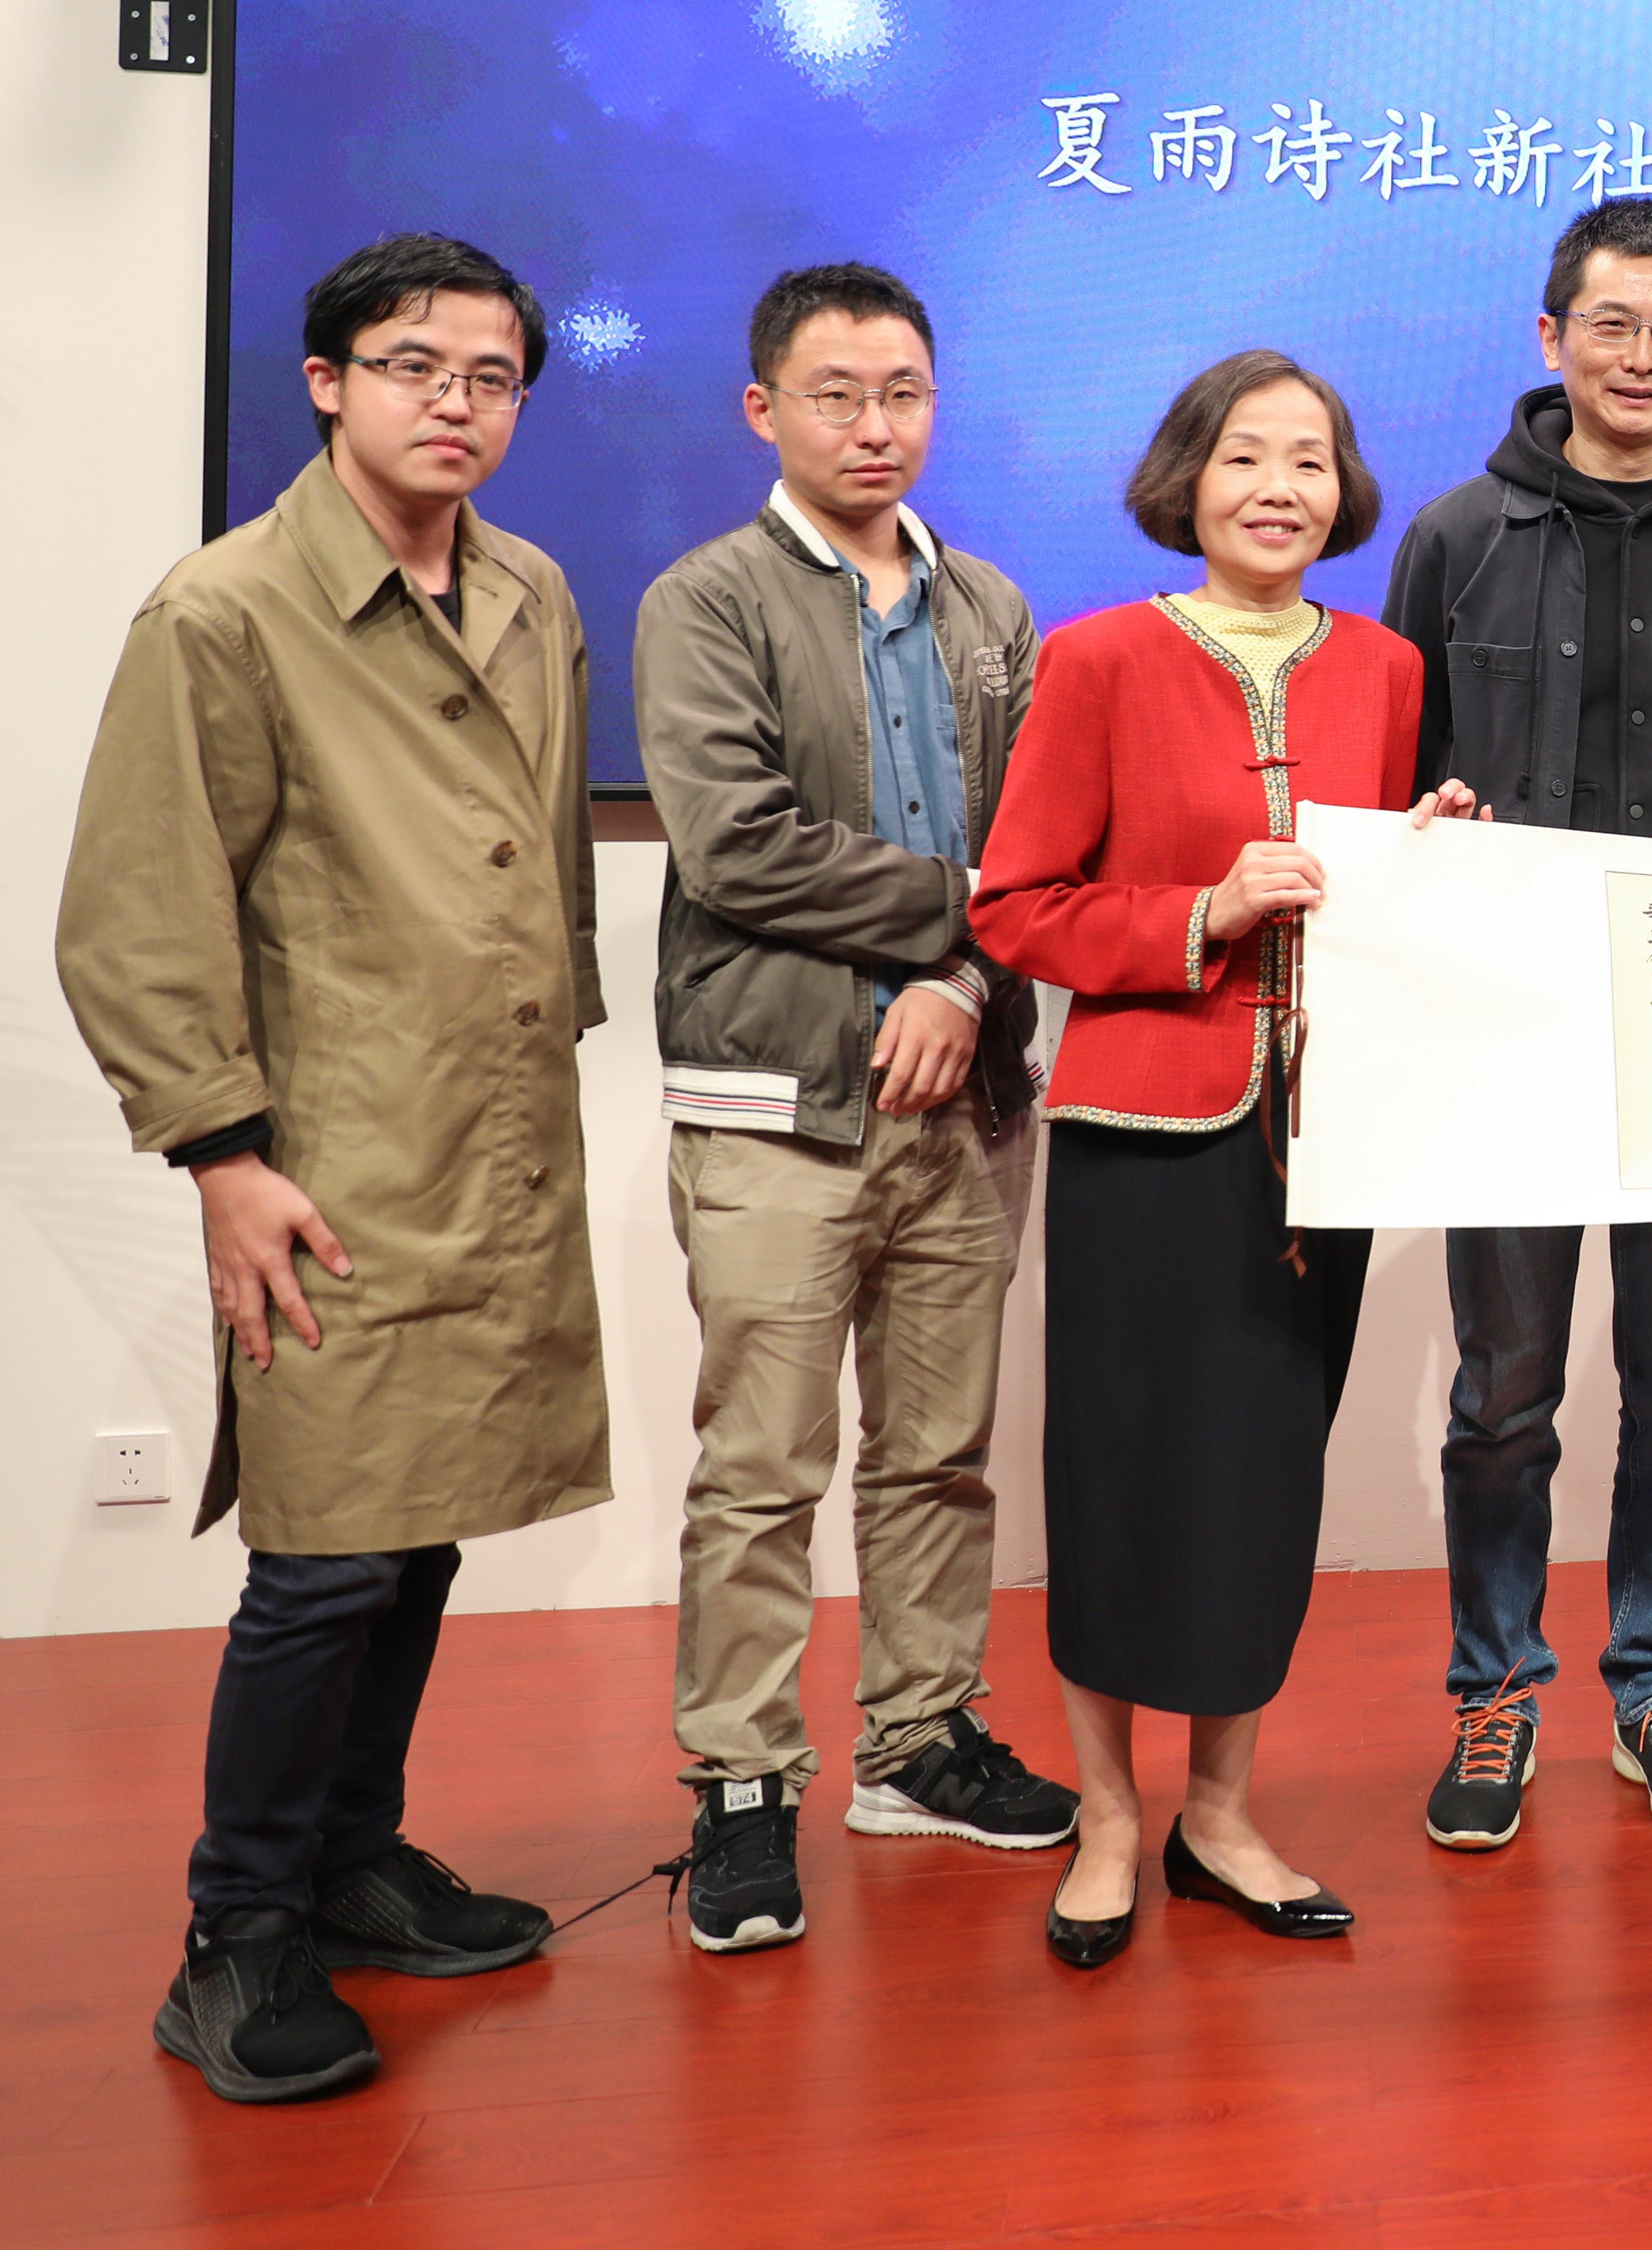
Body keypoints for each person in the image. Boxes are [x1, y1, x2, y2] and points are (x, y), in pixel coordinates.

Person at [60, 233, 606, 2104]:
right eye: (412, 365)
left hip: (491, 1131)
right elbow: (137, 911)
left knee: (421, 1522)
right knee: (321, 1555)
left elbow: (544, 855)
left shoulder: (530, 585)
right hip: (327, 1152)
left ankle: (354, 1862)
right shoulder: (221, 609)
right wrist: (221, 1152)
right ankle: (236, 1935)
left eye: (491, 376)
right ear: (326, 381)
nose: (455, 402)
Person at [632, 262, 1076, 1955]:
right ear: (765, 409)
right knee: (761, 1465)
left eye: (901, 392)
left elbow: (1048, 847)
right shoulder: (707, 599)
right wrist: (970, 910)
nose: (873, 424)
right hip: (777, 1100)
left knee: (939, 1453)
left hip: (967, 1097)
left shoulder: (993, 608)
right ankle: (744, 1784)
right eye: (835, 394)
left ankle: (919, 1739)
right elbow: (736, 846)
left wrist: (966, 981)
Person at [969, 349, 1422, 1961]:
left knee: (1260, 1482)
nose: (1279, 487)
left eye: (1310, 458)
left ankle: (1219, 1815)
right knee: (1119, 1475)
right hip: (1143, 1133)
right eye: (1246, 456)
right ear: (1187, 477)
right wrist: (1202, 913)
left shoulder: (1388, 666)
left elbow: (1372, 899)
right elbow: (1016, 905)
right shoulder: (1096, 656)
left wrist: (1426, 867)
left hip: (1318, 1142)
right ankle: (1107, 1816)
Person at [1382, 197, 1652, 1851]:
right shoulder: (1457, 535)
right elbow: (1400, 775)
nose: (1642, 356)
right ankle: (1495, 1691)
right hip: (1503, 1022)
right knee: (1503, 1392)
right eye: (1612, 323)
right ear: (1551, 335)